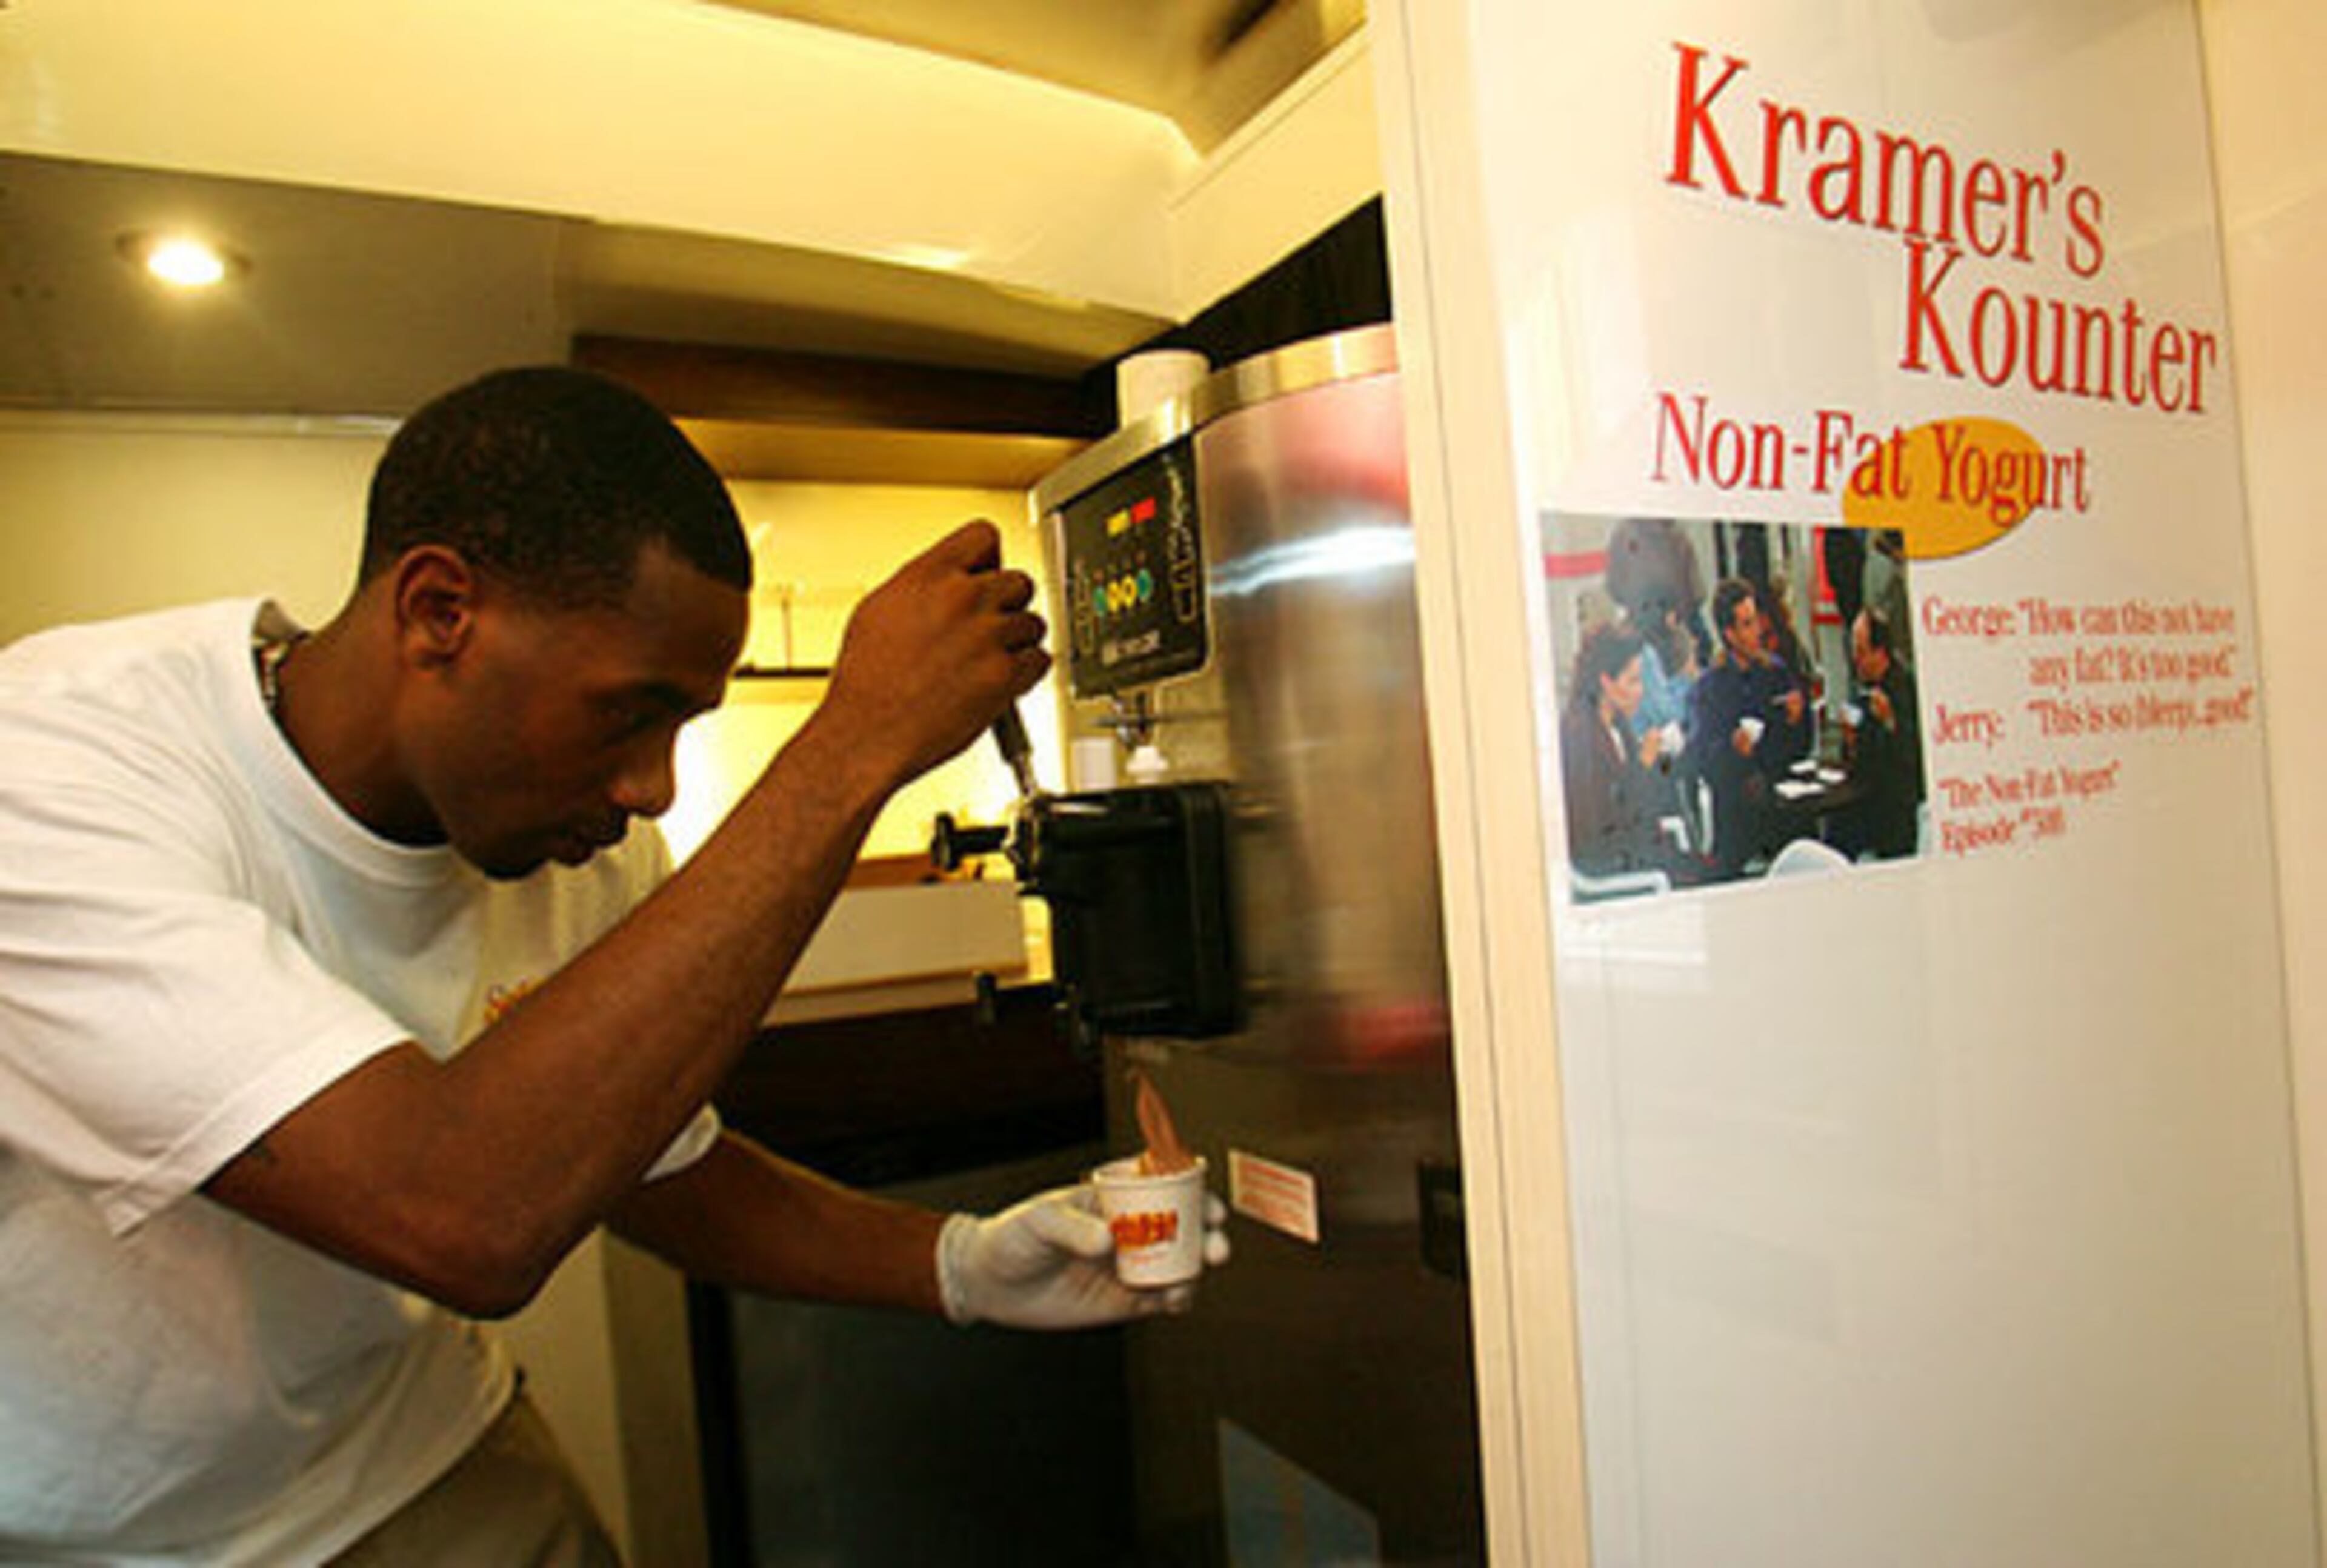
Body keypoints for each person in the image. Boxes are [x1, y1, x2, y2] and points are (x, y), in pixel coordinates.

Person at [0, 367, 1224, 1564]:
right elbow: (462, 1215)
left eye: (685, 723)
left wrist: (954, 1260)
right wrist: (854, 745)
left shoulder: (574, 848)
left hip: (426, 1448)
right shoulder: (56, 773)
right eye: (628, 712)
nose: (652, 789)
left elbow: (646, 1165)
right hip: (116, 1527)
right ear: (439, 612)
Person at [1683, 577, 1811, 877]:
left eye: (1757, 621)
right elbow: (1701, 763)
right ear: (1730, 634)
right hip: (1737, 823)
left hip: (1784, 811)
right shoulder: (1709, 690)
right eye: (1748, 624)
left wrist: (1798, 720)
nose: (1759, 632)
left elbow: (1800, 748)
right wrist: (1733, 750)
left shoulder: (1775, 672)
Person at [1560, 623, 1688, 886]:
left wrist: (1659, 764)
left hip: (1638, 852)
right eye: (1633, 681)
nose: (1640, 691)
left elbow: (1645, 803)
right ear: (1607, 682)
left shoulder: (1618, 724)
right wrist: (1643, 764)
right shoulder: (1580, 737)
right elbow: (1602, 828)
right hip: (1613, 867)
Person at [1833, 606, 1925, 859]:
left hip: (1896, 804)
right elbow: (1858, 757)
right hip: (1867, 795)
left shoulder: (1904, 686)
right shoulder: (1862, 687)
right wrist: (1850, 741)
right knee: (1834, 833)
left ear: (1881, 653)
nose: (1857, 661)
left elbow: (1913, 757)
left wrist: (1890, 722)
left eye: (1862, 652)